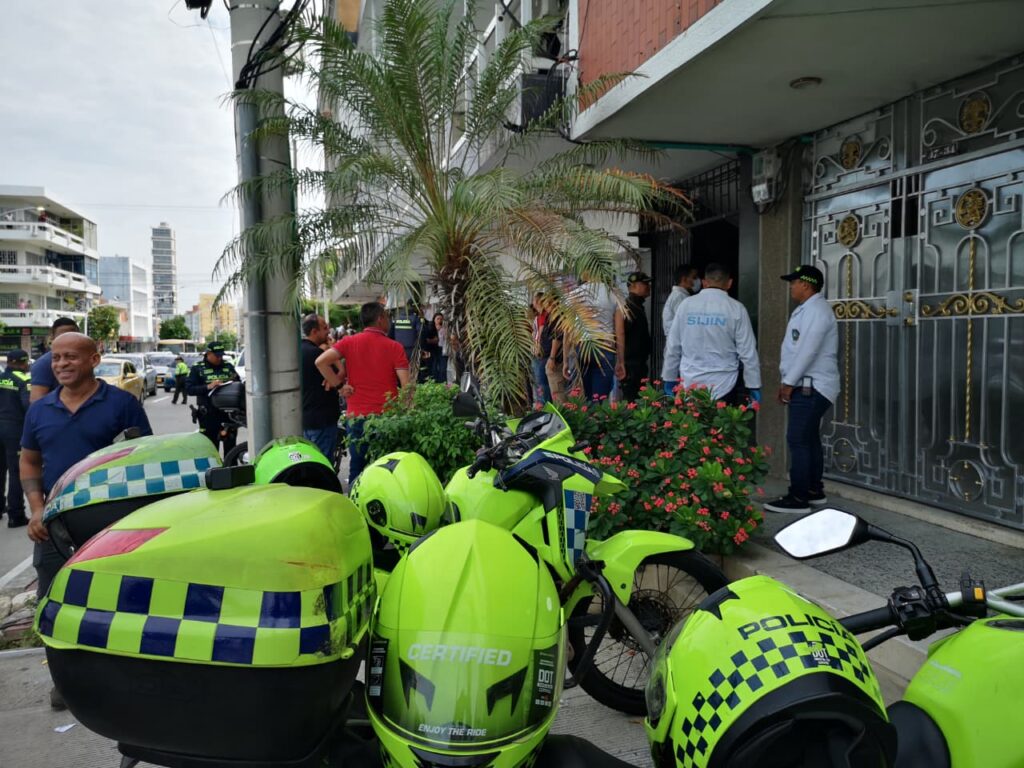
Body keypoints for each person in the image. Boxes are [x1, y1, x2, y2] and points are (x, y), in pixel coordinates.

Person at [22, 333, 151, 710]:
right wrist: (36, 508)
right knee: (54, 603)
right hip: (54, 526)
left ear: (94, 360)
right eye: (56, 358)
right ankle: (66, 683)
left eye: (71, 357)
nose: (61, 364)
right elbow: (29, 460)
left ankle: (124, 679)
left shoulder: (122, 404)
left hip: (112, 524)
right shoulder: (40, 411)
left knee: (119, 600)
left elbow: (145, 458)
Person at [764, 265, 839, 515]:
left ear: (805, 284)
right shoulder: (808, 309)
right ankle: (814, 491)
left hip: (811, 386)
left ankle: (798, 498)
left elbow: (808, 351)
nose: (791, 287)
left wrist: (788, 383)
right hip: (806, 384)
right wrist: (789, 381)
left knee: (797, 440)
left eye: (793, 282)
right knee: (808, 439)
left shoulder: (817, 311)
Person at [316, 302, 410, 486]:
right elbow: (407, 386)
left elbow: (321, 362)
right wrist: (406, 411)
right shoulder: (395, 347)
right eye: (387, 317)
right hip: (387, 418)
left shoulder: (349, 342)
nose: (389, 321)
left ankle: (355, 501)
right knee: (386, 470)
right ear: (380, 319)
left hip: (356, 417)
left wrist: (339, 387)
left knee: (357, 468)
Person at [661, 263, 761, 406]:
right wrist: (753, 384)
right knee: (722, 421)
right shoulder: (737, 308)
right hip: (725, 384)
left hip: (690, 383)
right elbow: (747, 351)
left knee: (693, 420)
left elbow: (673, 346)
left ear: (704, 282)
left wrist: (669, 378)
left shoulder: (686, 305)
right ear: (729, 283)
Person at [569, 276, 624, 402]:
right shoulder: (614, 294)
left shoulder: (574, 295)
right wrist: (621, 360)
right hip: (605, 347)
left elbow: (569, 330)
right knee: (600, 399)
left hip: (582, 347)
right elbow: (620, 331)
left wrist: (566, 359)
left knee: (585, 397)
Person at [187, 341, 240, 456]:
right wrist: (208, 386)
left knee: (231, 450)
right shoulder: (198, 368)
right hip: (208, 415)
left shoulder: (228, 367)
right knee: (211, 450)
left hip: (228, 414)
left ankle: (230, 466)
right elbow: (189, 389)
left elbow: (238, 384)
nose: (219, 358)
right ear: (208, 354)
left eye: (221, 355)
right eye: (217, 356)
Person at [301, 314, 341, 460]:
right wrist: (332, 350)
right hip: (322, 420)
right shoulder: (316, 354)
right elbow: (340, 373)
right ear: (314, 331)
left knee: (311, 462)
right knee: (323, 463)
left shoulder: (298, 350)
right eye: (324, 328)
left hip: (306, 419)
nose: (328, 331)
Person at [0, 350, 30, 527]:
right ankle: (16, 515)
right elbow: (28, 406)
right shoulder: (24, 380)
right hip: (14, 429)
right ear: (23, 362)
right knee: (16, 472)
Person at [617, 272, 653, 401]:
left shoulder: (637, 306)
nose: (648, 286)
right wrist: (622, 361)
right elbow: (620, 334)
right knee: (632, 400)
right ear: (633, 286)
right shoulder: (628, 308)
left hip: (639, 362)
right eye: (645, 283)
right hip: (631, 364)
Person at [29, 317, 79, 403]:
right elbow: (36, 401)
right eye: (62, 336)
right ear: (52, 337)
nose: (68, 340)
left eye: (72, 335)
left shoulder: (84, 358)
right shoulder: (44, 364)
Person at [661, 263, 700, 337]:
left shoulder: (681, 295)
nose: (697, 281)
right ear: (684, 279)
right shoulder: (680, 297)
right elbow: (685, 322)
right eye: (694, 277)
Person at [529, 294, 551, 405]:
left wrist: (538, 348)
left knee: (541, 382)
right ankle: (542, 403)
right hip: (537, 352)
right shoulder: (539, 316)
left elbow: (541, 334)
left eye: (534, 300)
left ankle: (544, 404)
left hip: (541, 353)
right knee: (539, 381)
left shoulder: (544, 315)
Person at [389, 302, 421, 366]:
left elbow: (391, 332)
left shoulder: (396, 318)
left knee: (399, 364)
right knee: (410, 365)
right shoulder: (415, 318)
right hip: (411, 347)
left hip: (397, 346)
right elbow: (420, 332)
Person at [419, 313, 440, 384]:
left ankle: (432, 382)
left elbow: (436, 339)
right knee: (426, 368)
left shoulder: (428, 323)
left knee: (432, 368)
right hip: (423, 350)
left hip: (431, 350)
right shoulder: (422, 324)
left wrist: (429, 340)